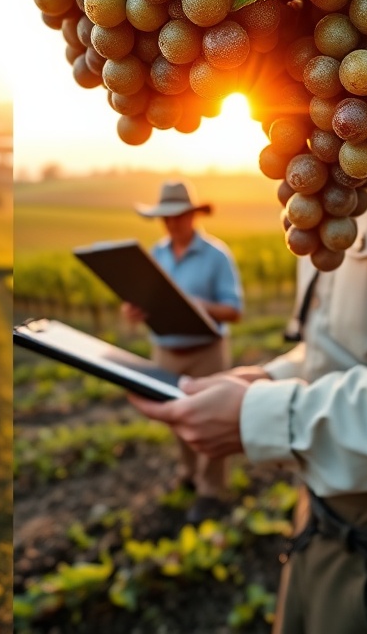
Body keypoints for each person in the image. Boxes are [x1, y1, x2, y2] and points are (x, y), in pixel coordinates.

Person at [128, 18, 367, 633]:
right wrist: (264, 379)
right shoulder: (340, 97)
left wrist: (262, 419)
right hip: (318, 521)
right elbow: (344, 343)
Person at [122, 179, 243, 523]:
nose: (172, 224)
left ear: (192, 215)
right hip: (166, 350)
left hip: (207, 351)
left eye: (178, 216)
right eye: (166, 218)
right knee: (178, 419)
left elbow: (234, 310)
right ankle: (189, 474)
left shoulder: (217, 256)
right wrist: (133, 311)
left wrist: (198, 304)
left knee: (212, 419)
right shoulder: (155, 256)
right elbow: (144, 302)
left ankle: (212, 491)